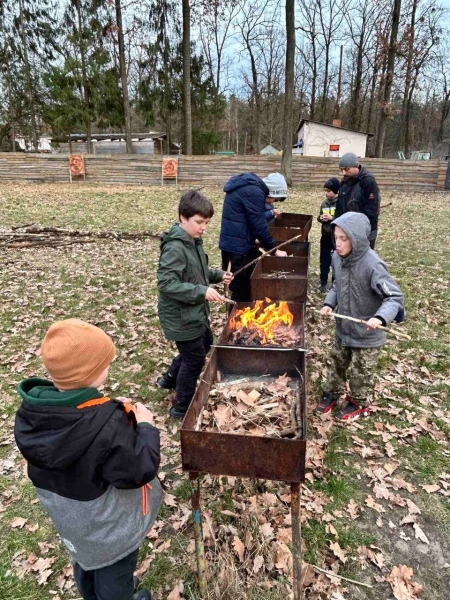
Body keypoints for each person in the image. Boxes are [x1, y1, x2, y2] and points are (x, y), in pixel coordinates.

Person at [14, 319, 162, 600]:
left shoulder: (33, 413)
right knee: (114, 571)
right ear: (88, 373)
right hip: (107, 530)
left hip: (72, 523)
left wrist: (105, 411)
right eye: (104, 364)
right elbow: (139, 470)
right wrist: (145, 427)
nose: (109, 367)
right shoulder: (108, 426)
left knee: (85, 561)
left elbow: (79, 427)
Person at [316, 212, 404, 421]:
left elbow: (394, 297)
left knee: (360, 371)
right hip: (344, 327)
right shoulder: (338, 258)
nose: (338, 243)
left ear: (356, 239)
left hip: (367, 332)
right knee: (337, 360)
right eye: (336, 237)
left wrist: (381, 318)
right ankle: (332, 392)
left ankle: (359, 401)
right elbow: (337, 285)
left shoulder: (372, 264)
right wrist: (329, 303)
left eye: (344, 239)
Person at [156, 190, 232, 419]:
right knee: (194, 358)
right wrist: (202, 291)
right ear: (183, 217)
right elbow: (167, 283)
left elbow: (197, 272)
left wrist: (218, 276)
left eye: (207, 222)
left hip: (193, 312)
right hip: (180, 315)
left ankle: (169, 378)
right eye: (199, 222)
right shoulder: (176, 247)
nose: (203, 227)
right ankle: (181, 406)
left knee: (205, 342)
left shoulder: (193, 241)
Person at [219, 172, 288, 302]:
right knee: (241, 290)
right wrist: (274, 250)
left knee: (246, 285)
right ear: (272, 192)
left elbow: (251, 217)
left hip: (237, 243)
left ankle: (244, 314)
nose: (273, 202)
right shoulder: (254, 192)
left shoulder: (250, 188)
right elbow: (259, 226)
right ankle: (238, 319)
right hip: (237, 248)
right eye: (276, 199)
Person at [335, 152, 380, 249]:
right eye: (341, 170)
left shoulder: (368, 182)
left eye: (347, 169)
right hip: (346, 230)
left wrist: (356, 227)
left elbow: (372, 210)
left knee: (362, 260)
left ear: (356, 166)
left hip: (364, 232)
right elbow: (339, 207)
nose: (343, 173)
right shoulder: (344, 183)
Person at [318, 177, 339, 293]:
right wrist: (321, 218)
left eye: (329, 191)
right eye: (325, 191)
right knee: (324, 260)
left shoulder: (340, 203)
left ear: (336, 191)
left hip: (336, 236)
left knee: (336, 260)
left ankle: (335, 283)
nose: (326, 193)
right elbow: (319, 216)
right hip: (325, 235)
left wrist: (332, 218)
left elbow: (343, 218)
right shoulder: (324, 203)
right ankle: (323, 281)